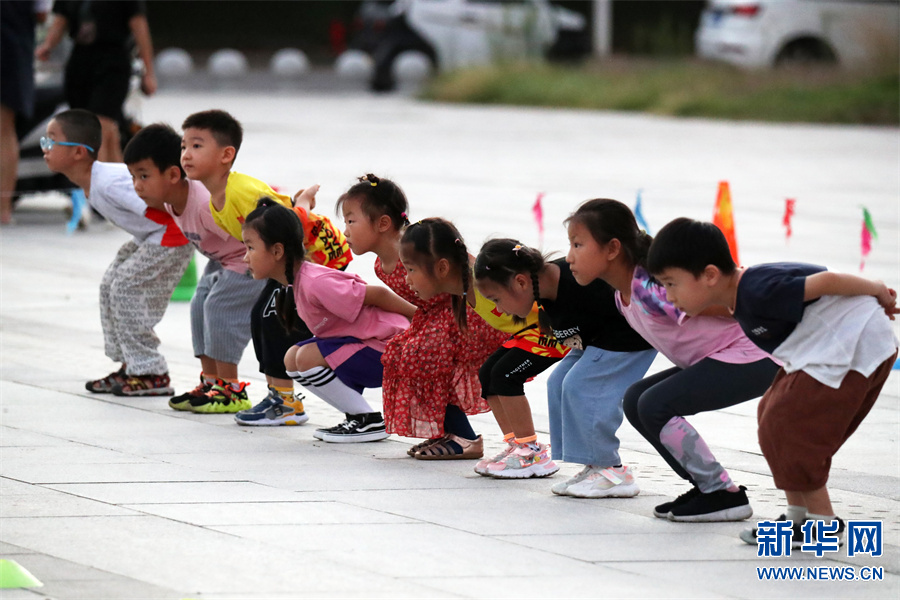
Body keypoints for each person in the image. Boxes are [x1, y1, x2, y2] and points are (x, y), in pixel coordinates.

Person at [646, 217, 898, 544]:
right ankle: (797, 517)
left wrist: (877, 291)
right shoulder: (741, 296)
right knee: (771, 416)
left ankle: (823, 523)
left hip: (852, 346)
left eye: (671, 283)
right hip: (822, 350)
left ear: (709, 275)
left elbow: (826, 279)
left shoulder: (756, 289)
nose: (668, 295)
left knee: (793, 427)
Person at [565, 199, 780, 521]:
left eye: (578, 244)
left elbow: (736, 300)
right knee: (637, 398)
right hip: (726, 357)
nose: (570, 257)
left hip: (754, 357)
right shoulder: (623, 294)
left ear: (612, 248)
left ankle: (723, 493)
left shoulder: (654, 290)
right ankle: (707, 488)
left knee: (654, 403)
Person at [178, 109, 351, 428]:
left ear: (226, 155)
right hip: (284, 264)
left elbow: (286, 223)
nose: (186, 155)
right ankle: (282, 398)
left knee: (271, 319)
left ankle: (286, 402)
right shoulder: (216, 203)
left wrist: (302, 207)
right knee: (264, 317)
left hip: (306, 261)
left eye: (197, 146)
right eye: (184, 146)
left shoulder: (241, 191)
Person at [337, 174, 508, 459]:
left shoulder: (418, 243)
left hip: (465, 312)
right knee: (400, 353)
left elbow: (467, 264)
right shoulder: (381, 266)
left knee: (422, 354)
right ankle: (445, 432)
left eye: (351, 221)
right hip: (436, 318)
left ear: (382, 223)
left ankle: (465, 438)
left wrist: (498, 302)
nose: (345, 231)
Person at [474, 239, 657, 492]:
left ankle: (612, 470)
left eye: (496, 299)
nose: (500, 310)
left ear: (520, 282)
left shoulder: (575, 280)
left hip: (629, 336)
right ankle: (593, 466)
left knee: (581, 386)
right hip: (595, 338)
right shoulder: (544, 291)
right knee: (559, 383)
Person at [43, 109, 192, 395]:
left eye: (51, 141)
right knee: (110, 284)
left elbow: (164, 208)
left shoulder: (108, 183)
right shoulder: (94, 182)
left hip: (170, 235)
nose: (45, 148)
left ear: (77, 153)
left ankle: (151, 372)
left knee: (125, 287)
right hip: (151, 235)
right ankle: (131, 366)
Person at [242, 199, 415, 442]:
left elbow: (378, 294)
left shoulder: (315, 282)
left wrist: (419, 318)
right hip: (370, 346)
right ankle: (358, 417)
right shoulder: (296, 284)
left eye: (250, 248)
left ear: (277, 251)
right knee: (292, 358)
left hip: (390, 346)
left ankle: (369, 420)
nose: (244, 258)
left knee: (305, 357)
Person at [400, 218, 569, 466]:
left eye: (411, 270)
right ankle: (516, 445)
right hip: (527, 334)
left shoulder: (480, 277)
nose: (407, 279)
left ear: (442, 267)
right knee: (488, 373)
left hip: (551, 331)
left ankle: (531, 449)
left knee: (505, 375)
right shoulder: (463, 285)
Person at [123, 123, 266, 413]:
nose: (136, 185)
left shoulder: (202, 203)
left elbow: (255, 232)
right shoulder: (168, 200)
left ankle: (231, 389)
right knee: (199, 303)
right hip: (222, 259)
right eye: (133, 177)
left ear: (173, 175)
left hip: (248, 259)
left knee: (218, 307)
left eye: (143, 176)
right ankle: (211, 382)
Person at [35, 0, 156, 163]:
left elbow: (140, 29)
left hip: (112, 61)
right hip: (80, 61)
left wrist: (148, 71)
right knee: (105, 134)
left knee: (99, 129)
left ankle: (97, 184)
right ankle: (121, 185)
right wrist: (48, 46)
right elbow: (60, 20)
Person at [1, 0, 49, 225]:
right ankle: (3, 208)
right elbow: (41, 14)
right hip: (13, 49)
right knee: (4, 129)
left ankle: (3, 207)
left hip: (11, 48)